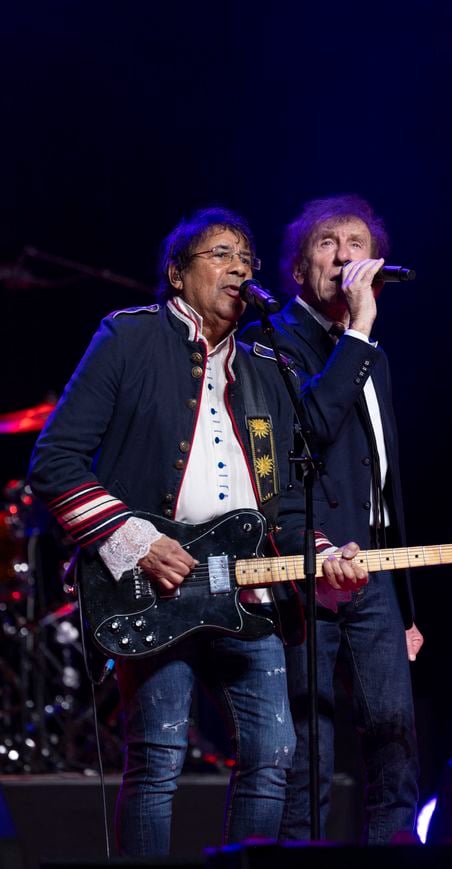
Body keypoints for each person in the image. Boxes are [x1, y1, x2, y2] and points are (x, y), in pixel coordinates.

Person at [27, 206, 368, 857]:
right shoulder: (128, 338)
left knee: (274, 752)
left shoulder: (267, 368)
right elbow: (54, 460)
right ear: (176, 274)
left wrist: (321, 554)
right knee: (156, 759)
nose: (239, 266)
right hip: (150, 585)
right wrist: (136, 540)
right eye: (219, 253)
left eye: (247, 256)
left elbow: (285, 499)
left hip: (244, 592)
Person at [240, 194, 424, 844]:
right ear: (298, 267)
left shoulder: (372, 353)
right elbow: (310, 427)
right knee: (307, 752)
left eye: (357, 244)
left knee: (396, 744)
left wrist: (406, 609)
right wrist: (358, 331)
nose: (345, 256)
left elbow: (385, 484)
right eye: (327, 243)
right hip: (304, 563)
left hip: (373, 571)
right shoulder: (269, 346)